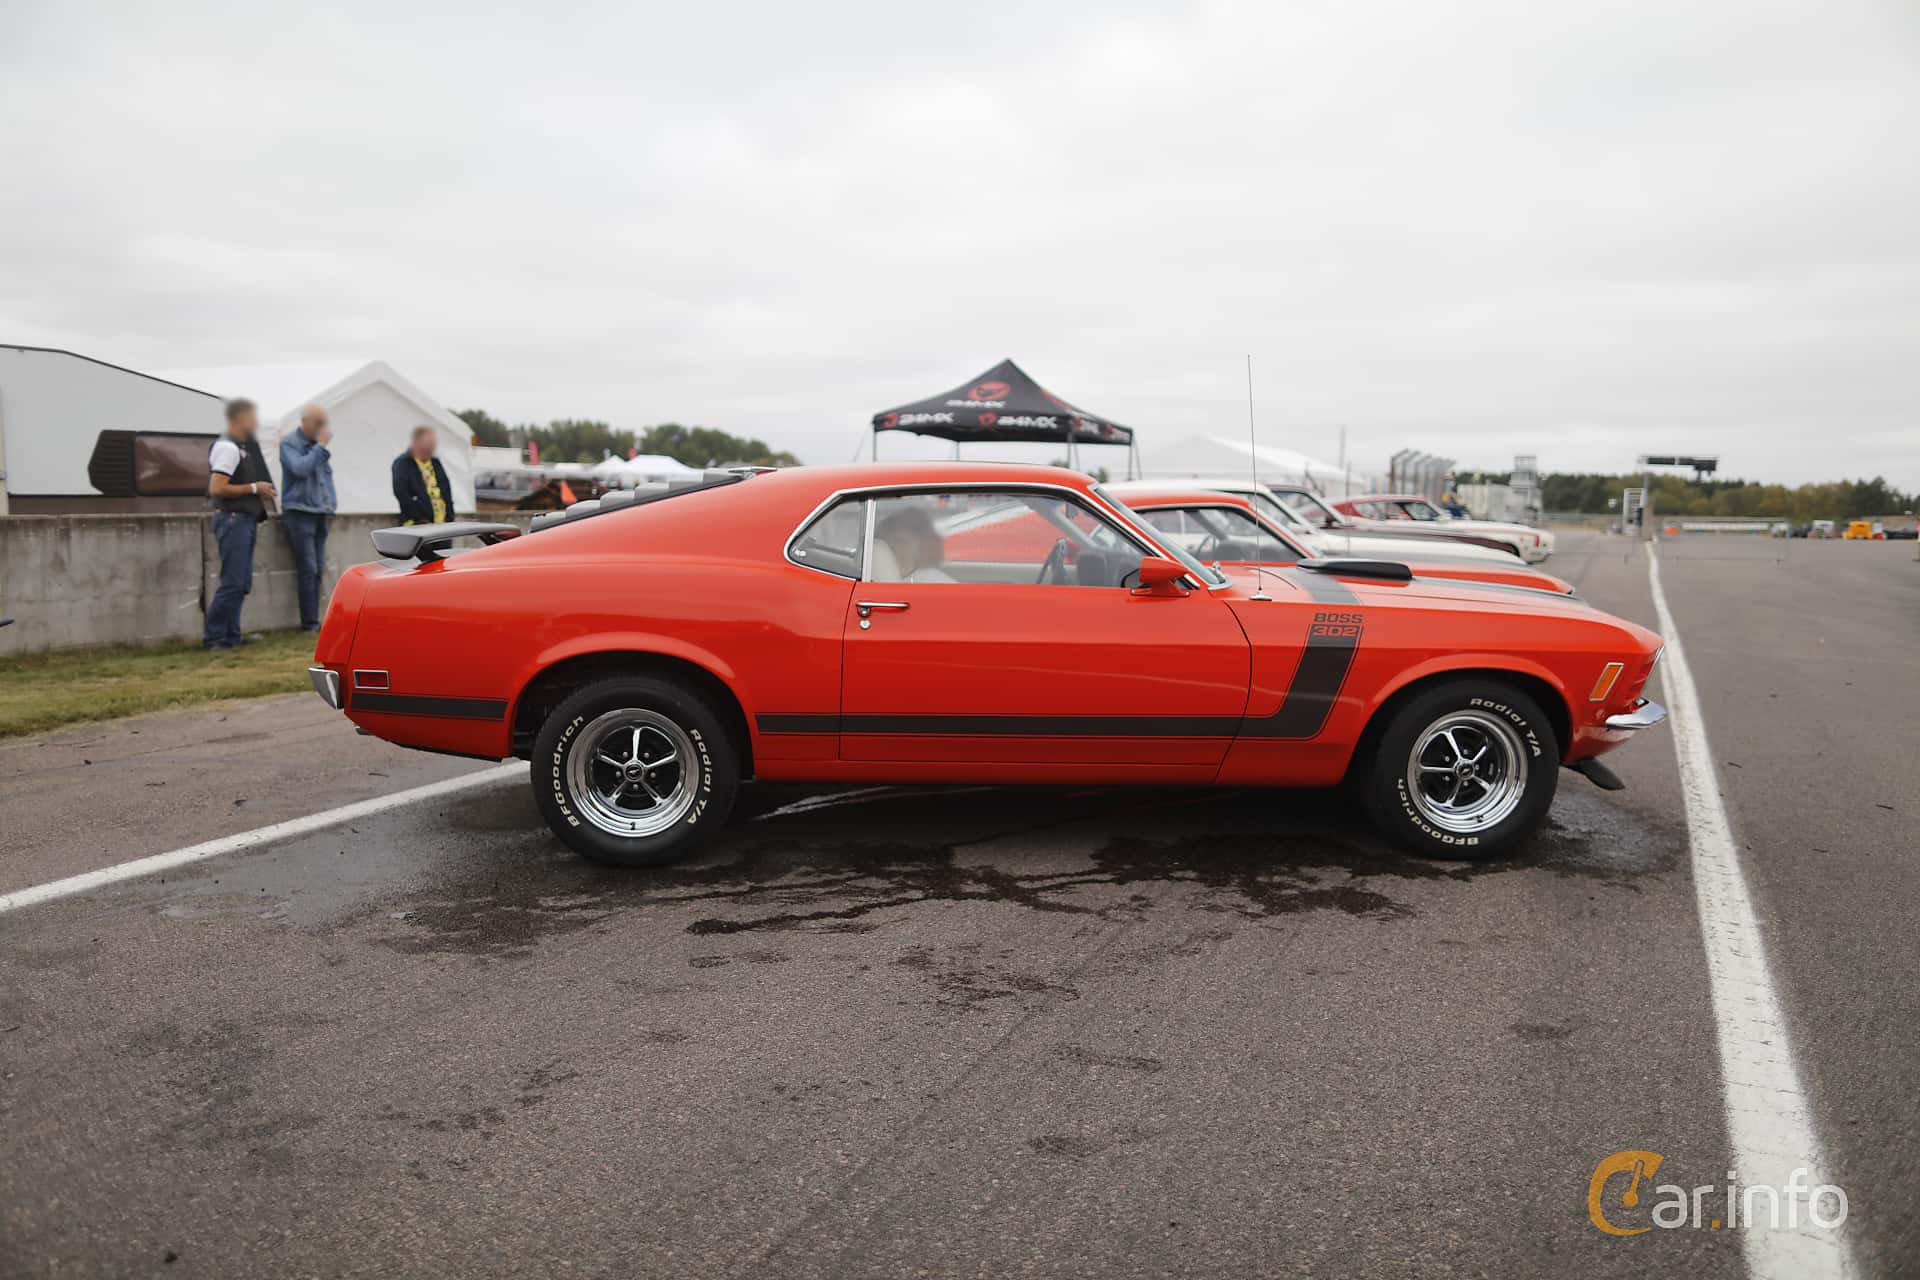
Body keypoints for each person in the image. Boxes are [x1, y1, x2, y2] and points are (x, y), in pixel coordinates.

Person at [204, 399, 275, 649]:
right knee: (233, 582)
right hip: (233, 520)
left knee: (241, 582)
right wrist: (255, 487)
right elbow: (217, 488)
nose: (256, 423)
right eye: (253, 417)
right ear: (240, 419)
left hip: (244, 520)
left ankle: (231, 636)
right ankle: (215, 637)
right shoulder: (228, 448)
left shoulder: (242, 448)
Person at [278, 403, 336, 632]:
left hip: (320, 512)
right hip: (300, 513)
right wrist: (321, 447)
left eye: (324, 423)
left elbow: (325, 479)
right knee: (308, 568)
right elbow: (300, 469)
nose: (322, 428)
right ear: (305, 422)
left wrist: (331, 504)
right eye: (319, 423)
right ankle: (309, 622)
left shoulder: (316, 448)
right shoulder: (289, 444)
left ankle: (316, 620)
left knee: (318, 567)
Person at [873, 507, 956, 582]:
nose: (893, 548)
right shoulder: (871, 580)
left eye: (901, 542)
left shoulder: (933, 579)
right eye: (886, 544)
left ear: (918, 548)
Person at [392, 425, 453, 526]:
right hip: (417, 527)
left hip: (442, 527)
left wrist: (450, 516)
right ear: (416, 443)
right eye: (428, 444)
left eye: (433, 444)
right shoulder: (403, 463)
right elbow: (402, 493)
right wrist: (419, 519)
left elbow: (446, 490)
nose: (432, 448)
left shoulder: (435, 462)